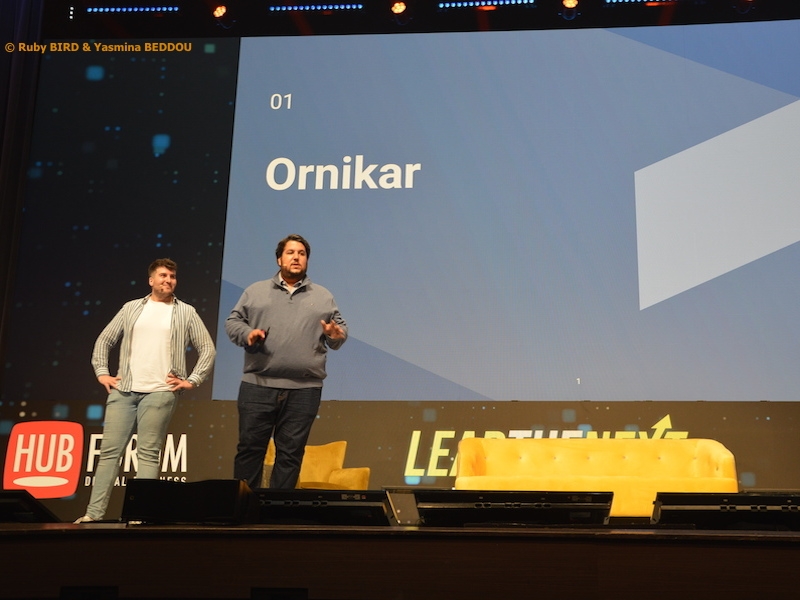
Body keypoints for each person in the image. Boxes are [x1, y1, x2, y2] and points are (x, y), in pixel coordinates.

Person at [74, 258, 216, 523]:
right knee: (109, 453)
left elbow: (207, 348)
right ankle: (93, 514)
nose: (168, 280)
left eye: (172, 276)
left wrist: (193, 380)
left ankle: (141, 515)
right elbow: (105, 339)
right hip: (125, 390)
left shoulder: (186, 312)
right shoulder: (131, 308)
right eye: (163, 275)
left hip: (161, 391)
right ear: (151, 280)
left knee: (148, 453)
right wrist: (102, 372)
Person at [226, 234, 347, 489]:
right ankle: (244, 508)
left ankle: (278, 510)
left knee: (290, 455)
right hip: (258, 385)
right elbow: (233, 322)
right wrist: (247, 334)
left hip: (304, 390)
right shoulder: (255, 291)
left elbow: (339, 331)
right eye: (290, 253)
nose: (296, 257)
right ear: (279, 259)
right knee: (250, 450)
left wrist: (336, 335)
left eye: (301, 254)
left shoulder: (323, 296)